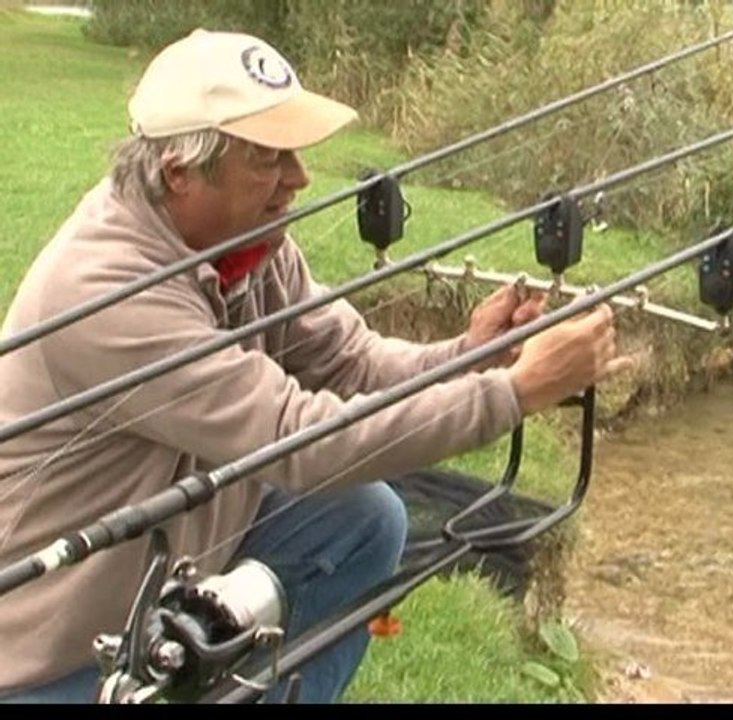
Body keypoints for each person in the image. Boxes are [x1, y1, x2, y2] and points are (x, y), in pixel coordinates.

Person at [0, 29, 629, 704]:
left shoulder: (249, 244)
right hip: (52, 653)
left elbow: (350, 360)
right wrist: (515, 392)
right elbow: (305, 440)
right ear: (179, 170)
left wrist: (469, 354)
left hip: (163, 570)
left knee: (364, 519)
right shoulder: (106, 292)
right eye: (268, 157)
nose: (298, 178)